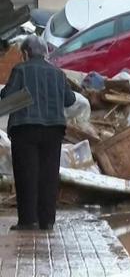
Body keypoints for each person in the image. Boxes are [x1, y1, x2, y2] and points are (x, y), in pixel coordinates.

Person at [0, 36, 75, 231]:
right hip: (53, 130)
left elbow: (8, 96)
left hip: (25, 129)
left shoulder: (21, 70)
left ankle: (28, 220)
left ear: (25, 53)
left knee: (27, 174)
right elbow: (69, 99)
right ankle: (47, 221)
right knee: (49, 176)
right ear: (45, 53)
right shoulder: (58, 73)